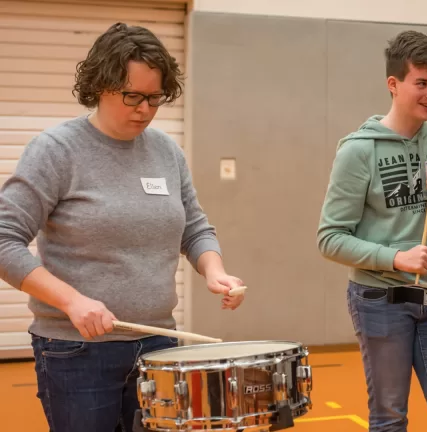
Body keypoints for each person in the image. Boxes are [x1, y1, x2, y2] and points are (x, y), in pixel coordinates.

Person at [0, 23, 245, 431]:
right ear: (100, 85)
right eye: (132, 96)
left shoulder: (166, 151)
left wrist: (215, 271)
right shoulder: (56, 151)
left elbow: (195, 228)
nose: (145, 109)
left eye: (154, 98)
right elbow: (4, 240)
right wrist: (72, 301)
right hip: (77, 352)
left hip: (158, 346)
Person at [317, 30, 427, 431]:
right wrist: (395, 256)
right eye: (421, 83)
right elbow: (330, 238)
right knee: (389, 417)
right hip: (379, 298)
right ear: (393, 84)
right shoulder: (358, 150)